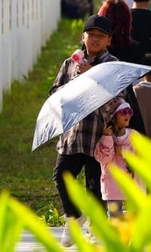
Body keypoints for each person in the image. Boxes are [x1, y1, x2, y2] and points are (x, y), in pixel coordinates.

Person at [49, 15, 123, 245]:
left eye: (101, 36)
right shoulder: (70, 63)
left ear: (109, 40)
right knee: (61, 175)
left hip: (99, 137)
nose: (95, 40)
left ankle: (98, 231)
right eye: (91, 35)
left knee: (95, 186)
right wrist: (72, 86)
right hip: (73, 134)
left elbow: (118, 102)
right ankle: (74, 217)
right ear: (83, 37)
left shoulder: (112, 66)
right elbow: (55, 93)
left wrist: (92, 77)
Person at [98, 0, 148, 135]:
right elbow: (141, 73)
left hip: (98, 101)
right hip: (126, 102)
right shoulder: (133, 47)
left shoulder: (98, 49)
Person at [94, 101, 140, 219]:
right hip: (112, 184)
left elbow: (141, 156)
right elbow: (103, 158)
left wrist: (124, 152)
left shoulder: (133, 135)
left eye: (130, 112)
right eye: (123, 112)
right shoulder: (106, 136)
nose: (128, 115)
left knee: (134, 219)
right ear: (114, 116)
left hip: (130, 183)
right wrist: (107, 138)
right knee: (115, 219)